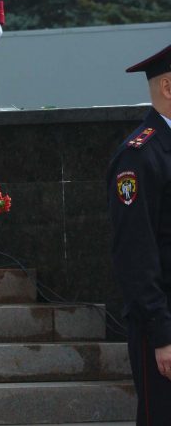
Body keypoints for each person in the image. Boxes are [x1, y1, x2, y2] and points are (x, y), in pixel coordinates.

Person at [108, 43, 171, 423]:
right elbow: (135, 252)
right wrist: (162, 334)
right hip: (163, 318)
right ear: (168, 87)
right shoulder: (140, 155)